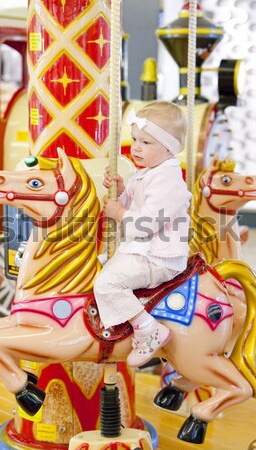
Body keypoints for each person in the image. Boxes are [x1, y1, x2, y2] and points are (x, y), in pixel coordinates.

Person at [94, 101, 192, 367]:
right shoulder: (148, 173)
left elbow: (148, 223)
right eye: (135, 139)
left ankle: (148, 329)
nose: (136, 147)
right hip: (142, 250)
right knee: (94, 268)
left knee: (107, 284)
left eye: (146, 143)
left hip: (158, 257)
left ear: (169, 148)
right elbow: (136, 205)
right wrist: (121, 190)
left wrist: (119, 214)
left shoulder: (168, 180)